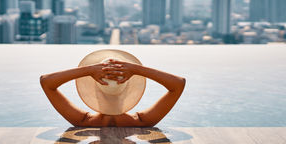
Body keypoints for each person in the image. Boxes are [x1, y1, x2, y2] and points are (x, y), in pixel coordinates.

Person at [40, 50, 185, 127]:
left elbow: (46, 82)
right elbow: (178, 84)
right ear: (128, 89)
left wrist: (88, 70)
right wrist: (136, 69)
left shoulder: (83, 121)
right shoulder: (142, 122)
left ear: (94, 89)